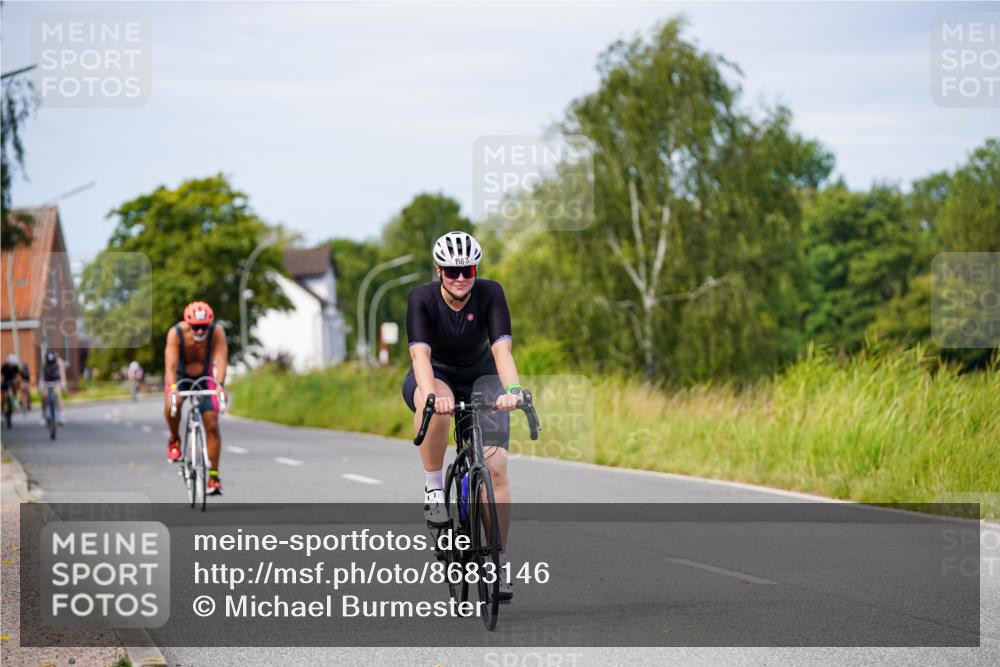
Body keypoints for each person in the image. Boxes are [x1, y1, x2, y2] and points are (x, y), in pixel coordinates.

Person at [402, 231, 522, 601]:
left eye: (466, 269)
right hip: (434, 373)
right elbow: (420, 357)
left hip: (481, 376)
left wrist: (512, 391)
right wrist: (433, 396)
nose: (460, 277)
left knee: (497, 468)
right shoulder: (421, 299)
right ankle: (434, 487)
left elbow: (502, 350)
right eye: (452, 270)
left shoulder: (491, 293)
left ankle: (500, 563)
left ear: (475, 269)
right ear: (439, 270)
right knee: (435, 401)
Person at [163, 301, 228, 495]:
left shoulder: (216, 332)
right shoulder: (176, 333)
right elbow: (171, 366)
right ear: (188, 324)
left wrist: (220, 386)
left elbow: (221, 360)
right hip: (180, 377)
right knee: (172, 404)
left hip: (205, 377)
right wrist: (173, 388)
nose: (200, 331)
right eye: (196, 327)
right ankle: (174, 439)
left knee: (212, 423)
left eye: (203, 327)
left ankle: (214, 477)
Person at [38, 350, 67, 426]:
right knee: (44, 396)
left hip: (55, 381)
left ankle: (61, 416)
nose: (50, 364)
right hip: (46, 382)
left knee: (58, 394)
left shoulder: (58, 364)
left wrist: (63, 384)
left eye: (52, 362)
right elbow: (41, 377)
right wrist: (41, 386)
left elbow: (62, 375)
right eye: (49, 362)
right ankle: (43, 415)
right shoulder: (44, 365)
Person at [1, 354, 22, 419]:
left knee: (14, 390)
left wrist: (17, 381)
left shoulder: (15, 367)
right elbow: (1, 376)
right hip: (5, 382)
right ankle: (2, 408)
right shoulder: (4, 367)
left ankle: (15, 402)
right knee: (4, 395)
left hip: (12, 382)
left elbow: (18, 375)